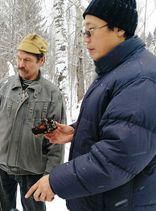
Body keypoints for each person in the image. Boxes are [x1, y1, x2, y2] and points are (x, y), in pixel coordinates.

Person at [25, 0, 156, 210]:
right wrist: (76, 132)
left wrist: (55, 181)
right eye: (83, 31)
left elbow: (118, 156)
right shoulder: (117, 70)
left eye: (91, 30)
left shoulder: (140, 79)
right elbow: (119, 124)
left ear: (120, 28)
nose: (85, 39)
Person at [0, 33, 66, 211]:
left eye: (27, 60)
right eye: (19, 58)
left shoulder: (52, 95)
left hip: (32, 170)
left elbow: (57, 144)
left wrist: (51, 177)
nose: (21, 64)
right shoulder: (1, 88)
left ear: (41, 61)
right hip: (0, 166)